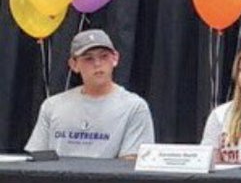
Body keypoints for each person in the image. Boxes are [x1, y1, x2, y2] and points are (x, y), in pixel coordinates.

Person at [25, 28, 155, 159]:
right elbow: (37, 157)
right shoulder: (52, 106)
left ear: (115, 58)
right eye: (88, 59)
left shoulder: (134, 107)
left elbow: (131, 164)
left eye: (104, 56)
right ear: (74, 64)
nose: (97, 64)